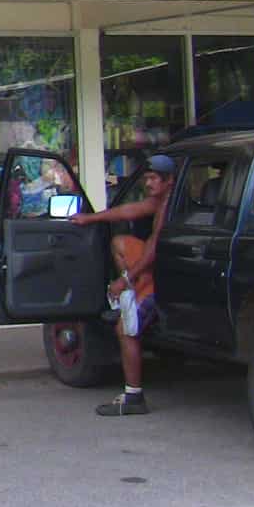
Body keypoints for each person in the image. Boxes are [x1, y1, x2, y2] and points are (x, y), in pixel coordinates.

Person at [70, 153, 176, 416]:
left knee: (125, 330)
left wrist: (125, 280)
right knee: (119, 243)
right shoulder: (160, 201)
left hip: (161, 276)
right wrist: (91, 219)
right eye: (147, 178)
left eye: (153, 179)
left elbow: (152, 252)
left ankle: (133, 396)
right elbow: (129, 210)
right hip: (152, 273)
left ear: (169, 181)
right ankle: (131, 297)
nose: (148, 184)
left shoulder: (167, 208)